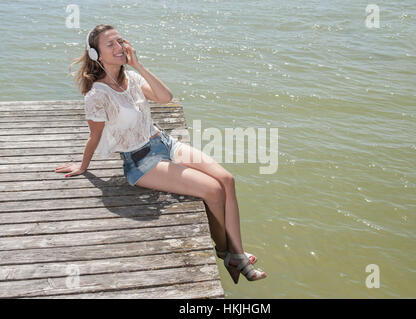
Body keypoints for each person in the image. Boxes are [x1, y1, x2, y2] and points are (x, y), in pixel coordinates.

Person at [55, 24, 266, 284]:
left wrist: (138, 66)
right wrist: (82, 165)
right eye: (110, 44)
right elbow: (95, 136)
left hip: (164, 142)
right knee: (212, 190)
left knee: (227, 180)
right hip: (141, 161)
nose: (119, 47)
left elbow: (165, 97)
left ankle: (236, 252)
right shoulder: (97, 94)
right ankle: (227, 251)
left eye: (120, 41)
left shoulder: (132, 79)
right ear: (96, 54)